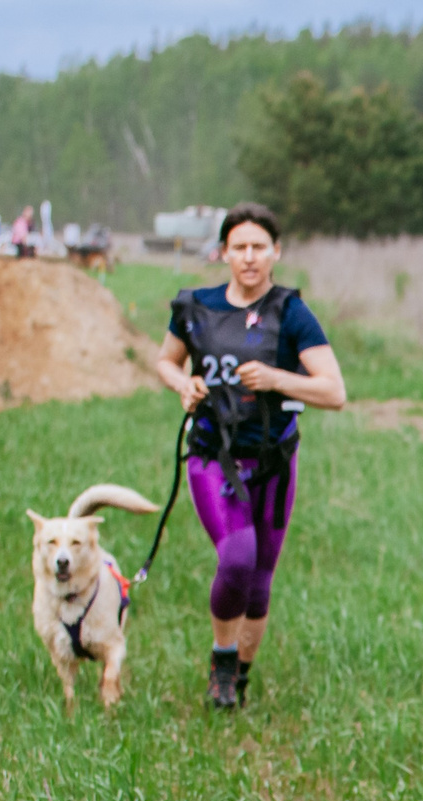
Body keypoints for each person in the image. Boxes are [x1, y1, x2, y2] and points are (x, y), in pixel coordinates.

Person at [152, 203, 345, 709]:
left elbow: (334, 392)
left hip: (275, 462)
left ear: (276, 252)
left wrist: (277, 378)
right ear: (223, 253)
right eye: (239, 247)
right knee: (236, 558)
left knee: (260, 581)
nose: (249, 257)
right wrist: (183, 384)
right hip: (213, 456)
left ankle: (238, 678)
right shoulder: (196, 307)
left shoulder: (292, 313)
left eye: (259, 246)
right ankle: (221, 657)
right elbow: (165, 361)